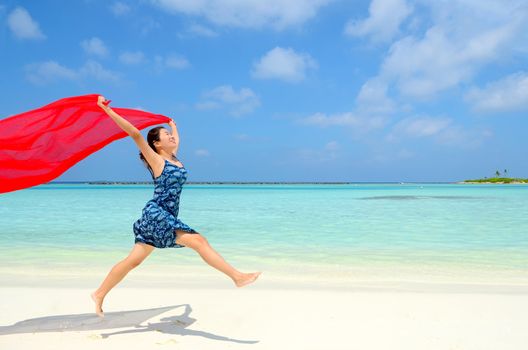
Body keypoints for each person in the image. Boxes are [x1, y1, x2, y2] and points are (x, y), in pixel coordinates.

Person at [91, 95, 261, 317]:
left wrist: (172, 126)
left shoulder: (173, 157)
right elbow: (134, 133)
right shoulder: (157, 160)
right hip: (158, 214)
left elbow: (176, 141)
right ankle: (237, 277)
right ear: (156, 144)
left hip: (164, 214)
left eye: (172, 136)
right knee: (199, 241)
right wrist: (107, 110)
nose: (172, 138)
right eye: (167, 136)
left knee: (133, 261)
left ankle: (99, 293)